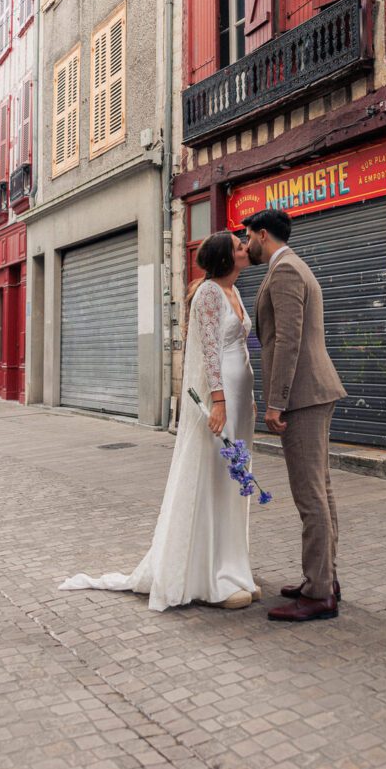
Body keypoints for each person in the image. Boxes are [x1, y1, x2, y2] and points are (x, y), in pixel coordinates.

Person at [58, 231, 259, 611]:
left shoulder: (233, 291)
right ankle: (211, 577)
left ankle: (234, 568)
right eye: (237, 246)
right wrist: (218, 402)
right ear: (224, 258)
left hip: (240, 398)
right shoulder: (210, 293)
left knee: (233, 480)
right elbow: (210, 353)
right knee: (216, 479)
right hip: (223, 400)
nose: (245, 248)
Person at [244, 209, 347, 623]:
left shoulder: (285, 271)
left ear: (262, 234)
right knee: (321, 491)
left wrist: (276, 401)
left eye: (247, 235)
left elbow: (287, 340)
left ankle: (319, 594)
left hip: (302, 396)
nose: (245, 243)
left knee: (310, 498)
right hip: (313, 391)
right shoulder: (292, 264)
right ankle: (324, 580)